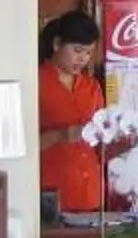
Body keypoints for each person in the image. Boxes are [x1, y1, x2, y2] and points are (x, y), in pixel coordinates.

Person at [37, 12, 107, 225]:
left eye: (88, 53)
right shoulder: (35, 82)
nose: (83, 59)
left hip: (90, 195)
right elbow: (21, 145)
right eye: (77, 51)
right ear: (57, 44)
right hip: (50, 194)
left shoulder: (91, 86)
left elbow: (100, 141)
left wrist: (116, 143)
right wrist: (60, 135)